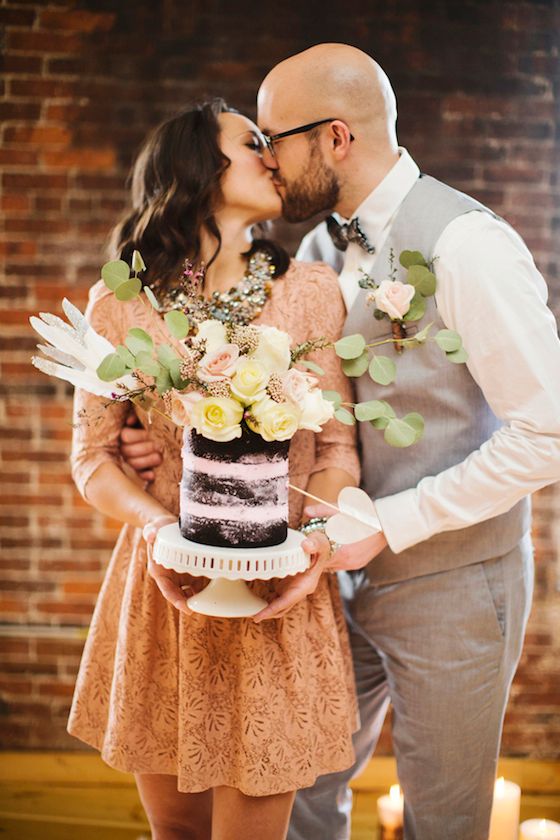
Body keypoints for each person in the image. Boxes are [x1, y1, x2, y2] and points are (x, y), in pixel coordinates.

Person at [121, 45, 560, 840]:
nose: (267, 161)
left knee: (446, 818)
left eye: (272, 140)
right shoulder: (313, 256)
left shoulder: (468, 246)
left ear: (335, 138)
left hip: (453, 583)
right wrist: (153, 434)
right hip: (320, 580)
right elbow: (298, 409)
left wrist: (389, 524)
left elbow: (549, 432)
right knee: (302, 794)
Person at [67, 98, 361, 840]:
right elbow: (93, 458)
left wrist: (309, 544)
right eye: (254, 143)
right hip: (168, 588)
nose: (274, 157)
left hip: (277, 594)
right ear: (199, 165)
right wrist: (162, 525)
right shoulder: (119, 306)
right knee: (177, 834)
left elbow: (335, 452)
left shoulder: (310, 293)